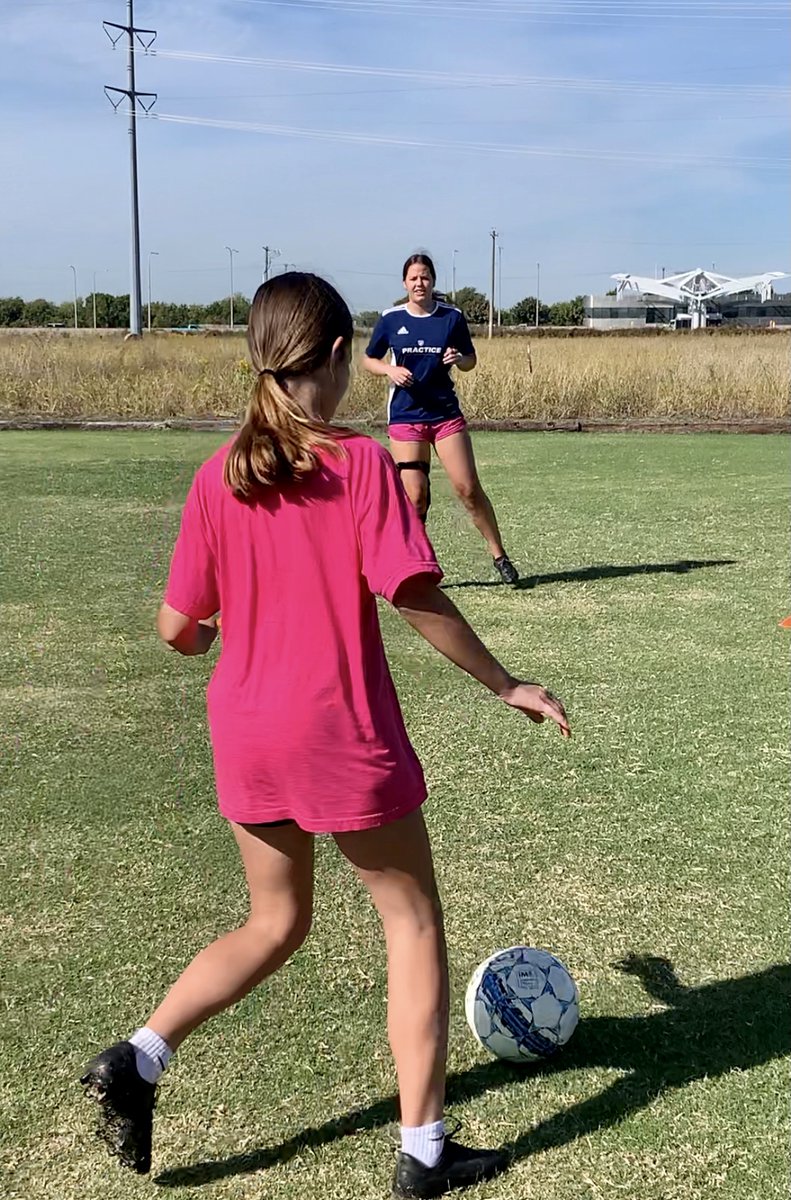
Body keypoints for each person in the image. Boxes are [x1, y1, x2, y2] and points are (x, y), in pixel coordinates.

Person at [80, 272, 569, 1199]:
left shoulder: (218, 473)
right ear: (342, 357)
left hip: (246, 730)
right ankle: (423, 1153)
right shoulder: (358, 466)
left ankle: (139, 1059)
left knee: (274, 921)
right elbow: (415, 594)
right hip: (336, 732)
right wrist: (506, 683)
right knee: (412, 921)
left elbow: (179, 630)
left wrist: (254, 639)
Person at [362, 253, 520, 585]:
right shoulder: (391, 319)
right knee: (416, 496)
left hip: (445, 416)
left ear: (433, 281)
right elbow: (369, 360)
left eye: (425, 277)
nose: (420, 283)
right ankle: (415, 565)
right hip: (405, 417)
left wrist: (459, 357)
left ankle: (500, 556)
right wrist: (389, 369)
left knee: (467, 488)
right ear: (404, 283)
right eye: (414, 278)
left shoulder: (451, 318)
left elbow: (470, 360)